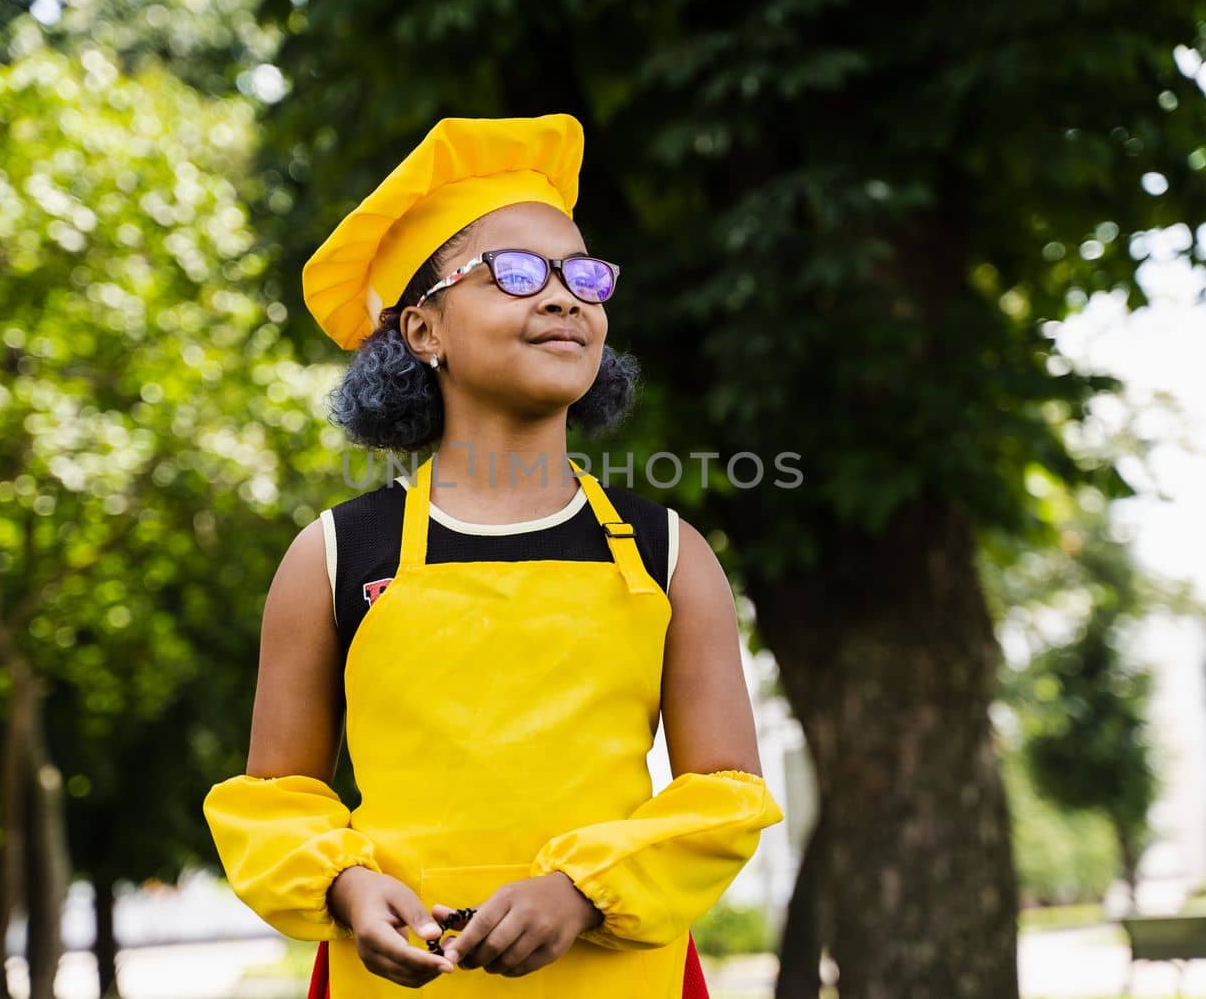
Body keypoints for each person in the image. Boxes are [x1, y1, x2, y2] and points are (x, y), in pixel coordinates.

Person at [202, 113, 784, 997]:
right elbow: (276, 796)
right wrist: (347, 885)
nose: (563, 297)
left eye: (582, 274)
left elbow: (727, 791)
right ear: (423, 331)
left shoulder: (670, 554)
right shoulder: (330, 556)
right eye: (514, 272)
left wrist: (584, 890)